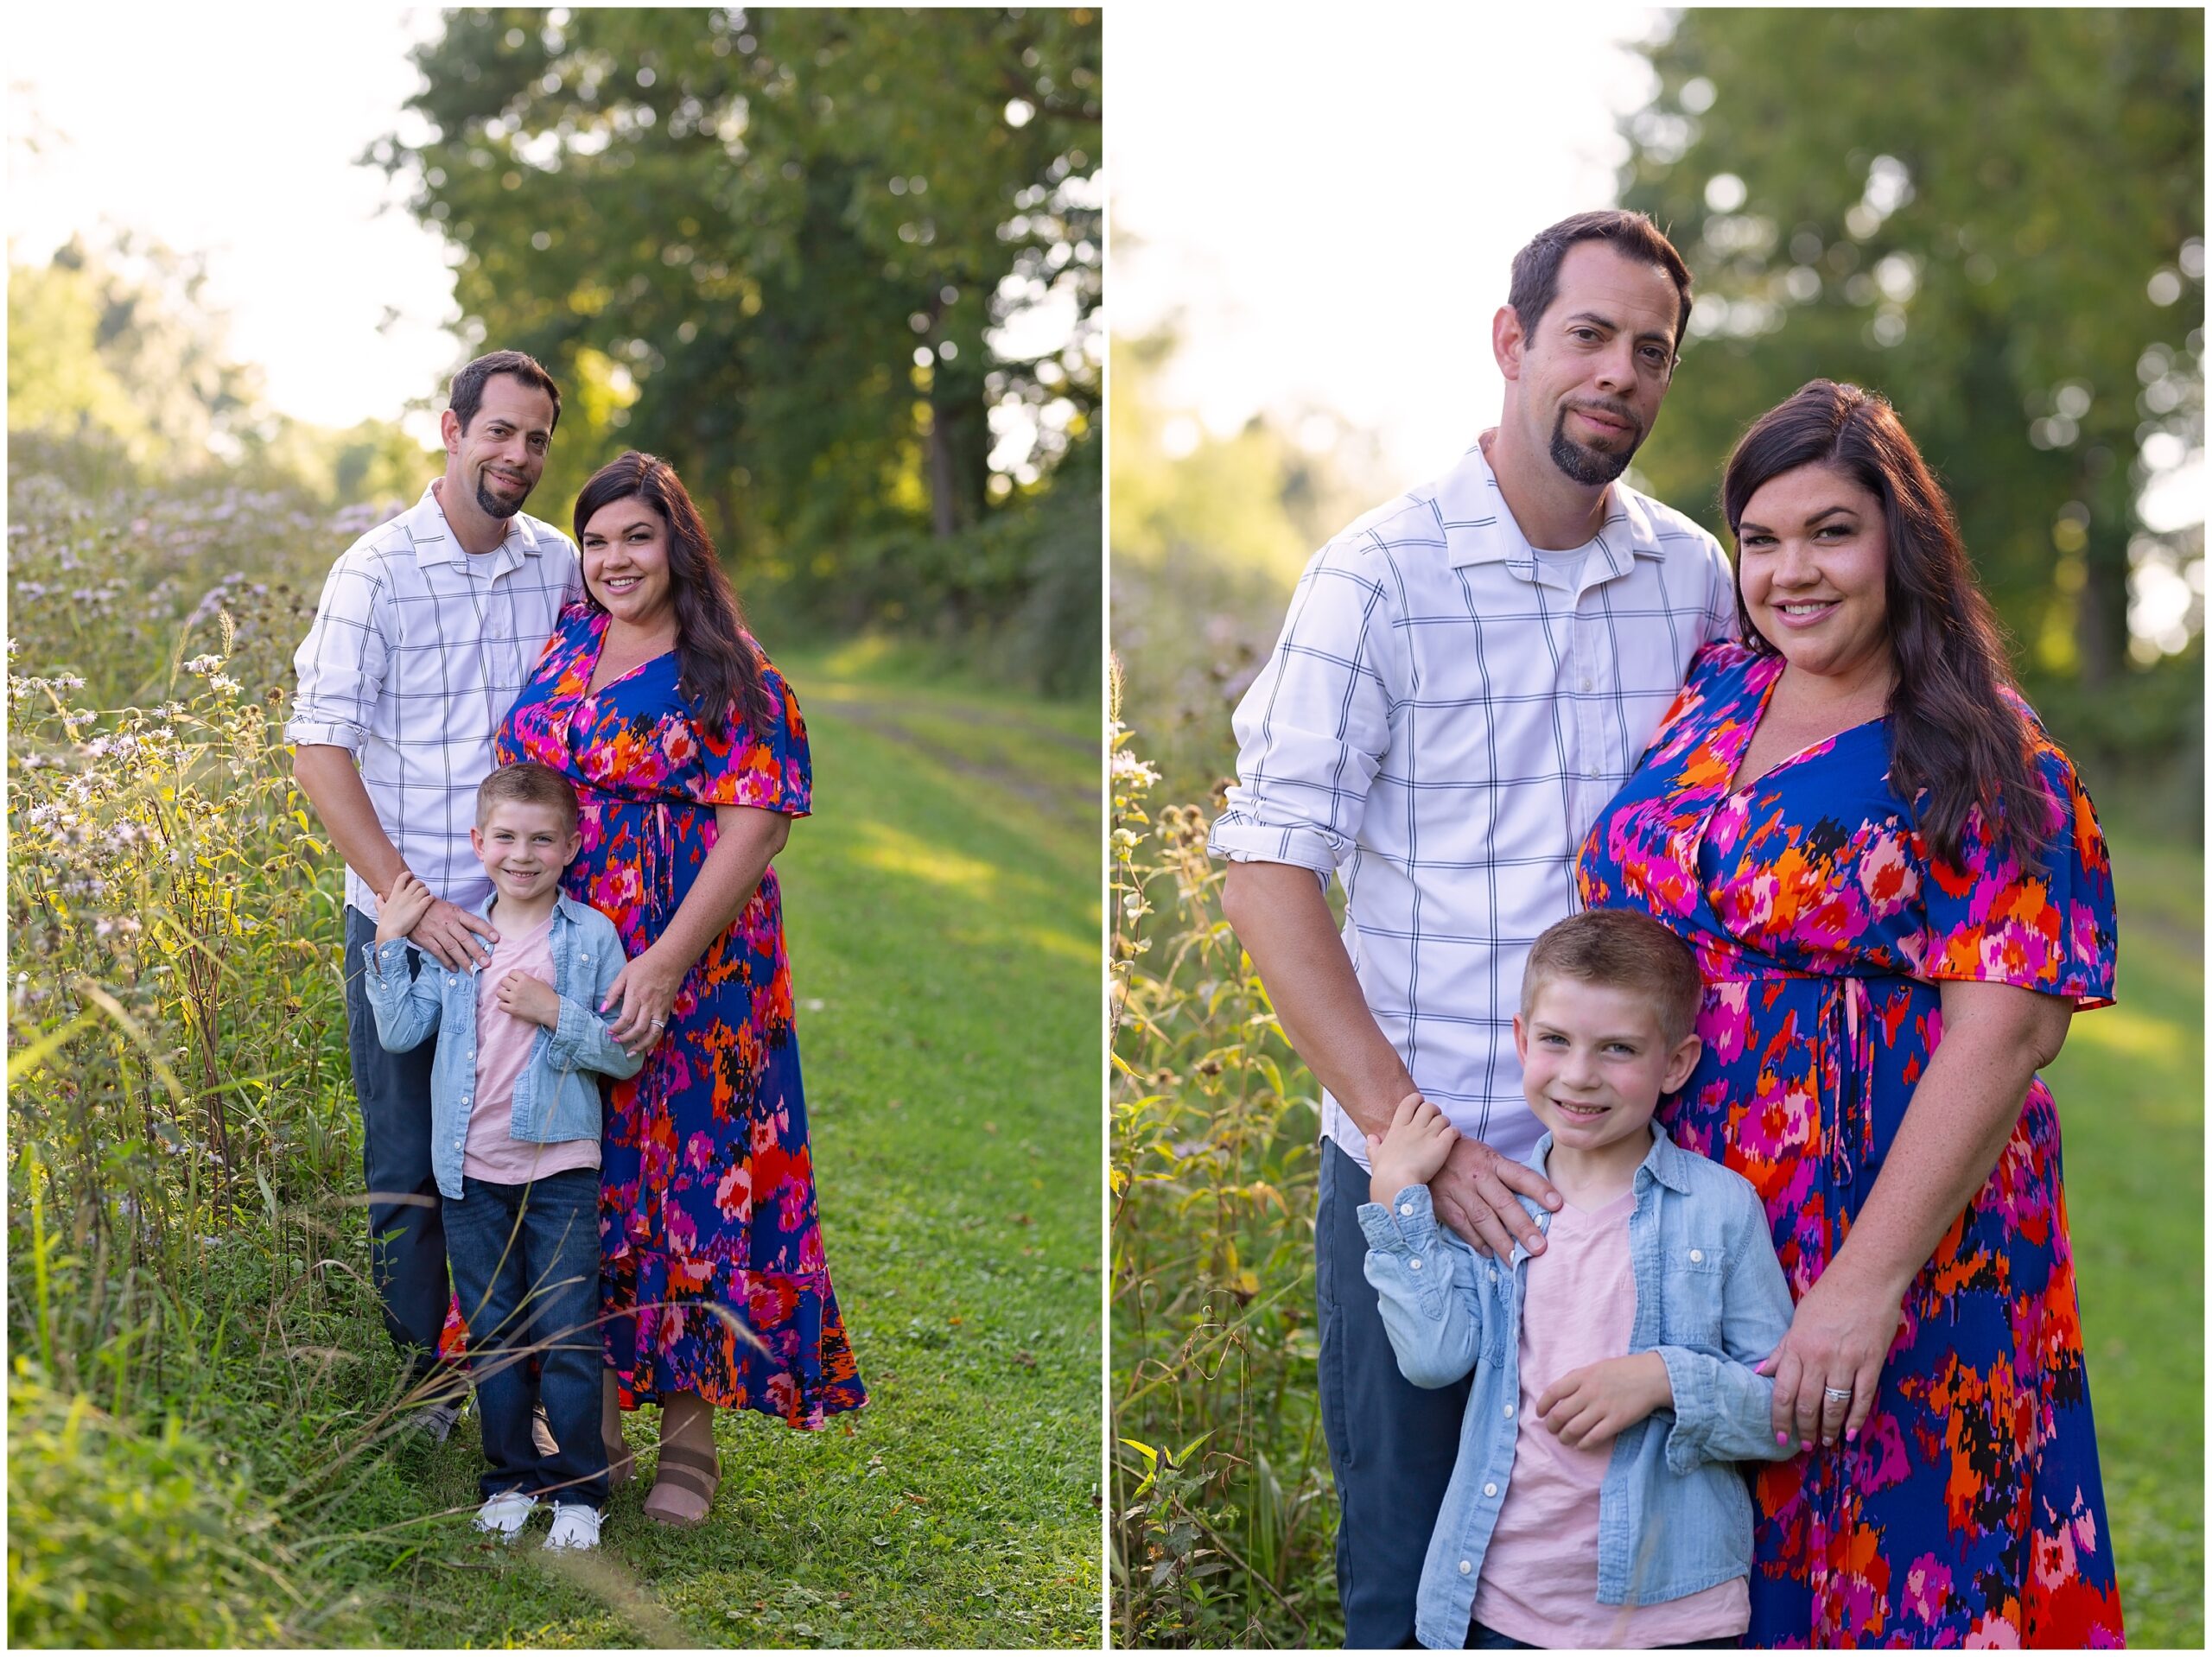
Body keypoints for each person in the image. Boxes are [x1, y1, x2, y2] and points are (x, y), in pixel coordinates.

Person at [1208, 210, 1735, 1643]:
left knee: (1624, 1579)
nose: (1618, 372)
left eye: (1651, 351)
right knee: (1405, 1573)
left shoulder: (1695, 579)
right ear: (1512, 344)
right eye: (1588, 336)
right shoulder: (1378, 577)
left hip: (1637, 1184)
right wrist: (1412, 1142)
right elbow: (1268, 869)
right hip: (1419, 1184)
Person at [1577, 379, 2123, 1646]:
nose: (1790, 572)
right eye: (1761, 540)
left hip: (1893, 1224)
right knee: (1698, 1560)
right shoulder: (1712, 692)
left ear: (1901, 540)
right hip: (1698, 1209)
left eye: (1831, 531)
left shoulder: (1985, 749)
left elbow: (2012, 1028)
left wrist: (1861, 1285)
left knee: (1893, 1553)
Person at [496, 450, 866, 1529]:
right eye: (598, 540)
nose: (615, 559)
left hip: (699, 960)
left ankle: (688, 1438)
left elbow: (759, 821)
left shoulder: (728, 669)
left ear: (678, 544)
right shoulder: (567, 643)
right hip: (571, 949)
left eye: (637, 538)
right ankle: (593, 1408)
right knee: (586, 1167)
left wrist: (664, 959)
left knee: (690, 1182)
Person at [1362, 909, 1796, 1649]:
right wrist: (1395, 1201)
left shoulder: (1720, 1209)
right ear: (1523, 1039)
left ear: (1677, 1063)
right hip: (1506, 1605)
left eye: (1618, 1049)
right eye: (1556, 1041)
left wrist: (1663, 1379)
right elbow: (1434, 1359)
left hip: (1674, 1614)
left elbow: (1781, 1416)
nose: (1580, 1075)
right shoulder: (1494, 1212)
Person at [289, 350, 581, 1434]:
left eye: (537, 438)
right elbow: (320, 747)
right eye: (499, 431)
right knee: (407, 1158)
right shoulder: (374, 569)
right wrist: (410, 895)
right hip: (409, 923)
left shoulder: (557, 565)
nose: (518, 455)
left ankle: (543, 1384)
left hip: (533, 924)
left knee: (535, 1155)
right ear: (451, 431)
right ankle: (428, 1385)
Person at [363, 762, 642, 1550]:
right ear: (479, 842)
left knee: (566, 1334)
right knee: (494, 1335)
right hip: (470, 1176)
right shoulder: (460, 938)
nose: (523, 854)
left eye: (542, 839)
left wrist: (558, 1013)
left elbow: (622, 1056)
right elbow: (400, 1033)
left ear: (570, 846)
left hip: (557, 1173)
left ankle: (580, 1495)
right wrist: (389, 946)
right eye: (508, 838)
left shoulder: (590, 938)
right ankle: (511, 1479)